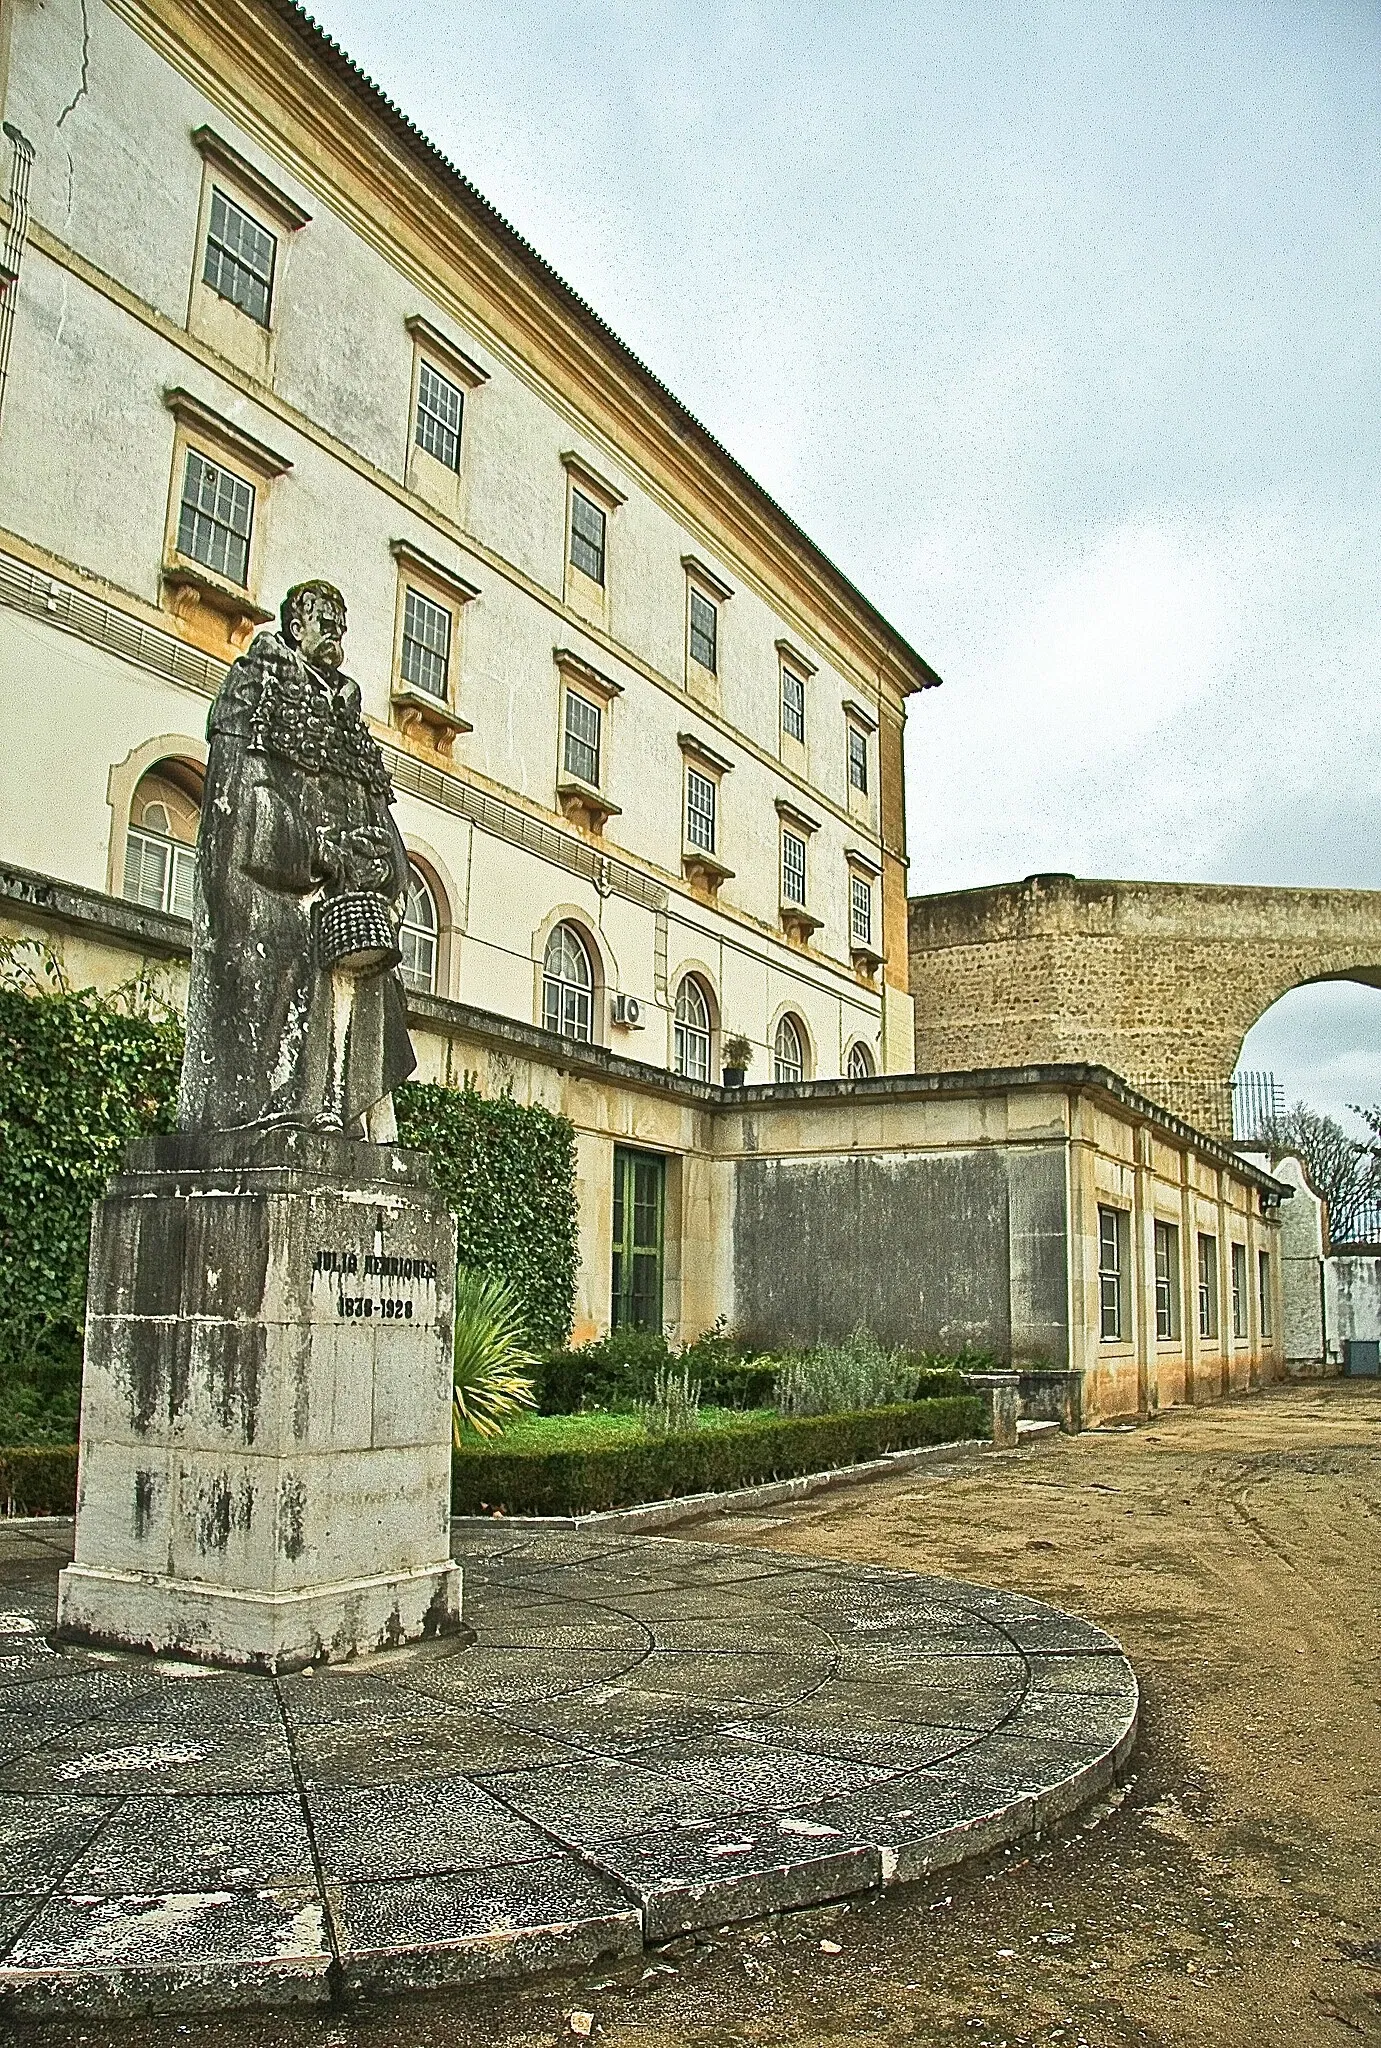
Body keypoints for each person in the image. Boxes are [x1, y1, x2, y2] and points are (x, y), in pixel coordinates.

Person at [178, 579, 416, 1139]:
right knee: (289, 940)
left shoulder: (346, 711)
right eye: (322, 620)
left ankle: (348, 1112)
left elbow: (378, 812)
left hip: (336, 894)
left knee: (372, 964)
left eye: (341, 623)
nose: (334, 632)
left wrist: (384, 860)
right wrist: (318, 850)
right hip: (267, 887)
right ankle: (288, 1103)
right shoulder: (253, 687)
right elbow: (241, 803)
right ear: (294, 625)